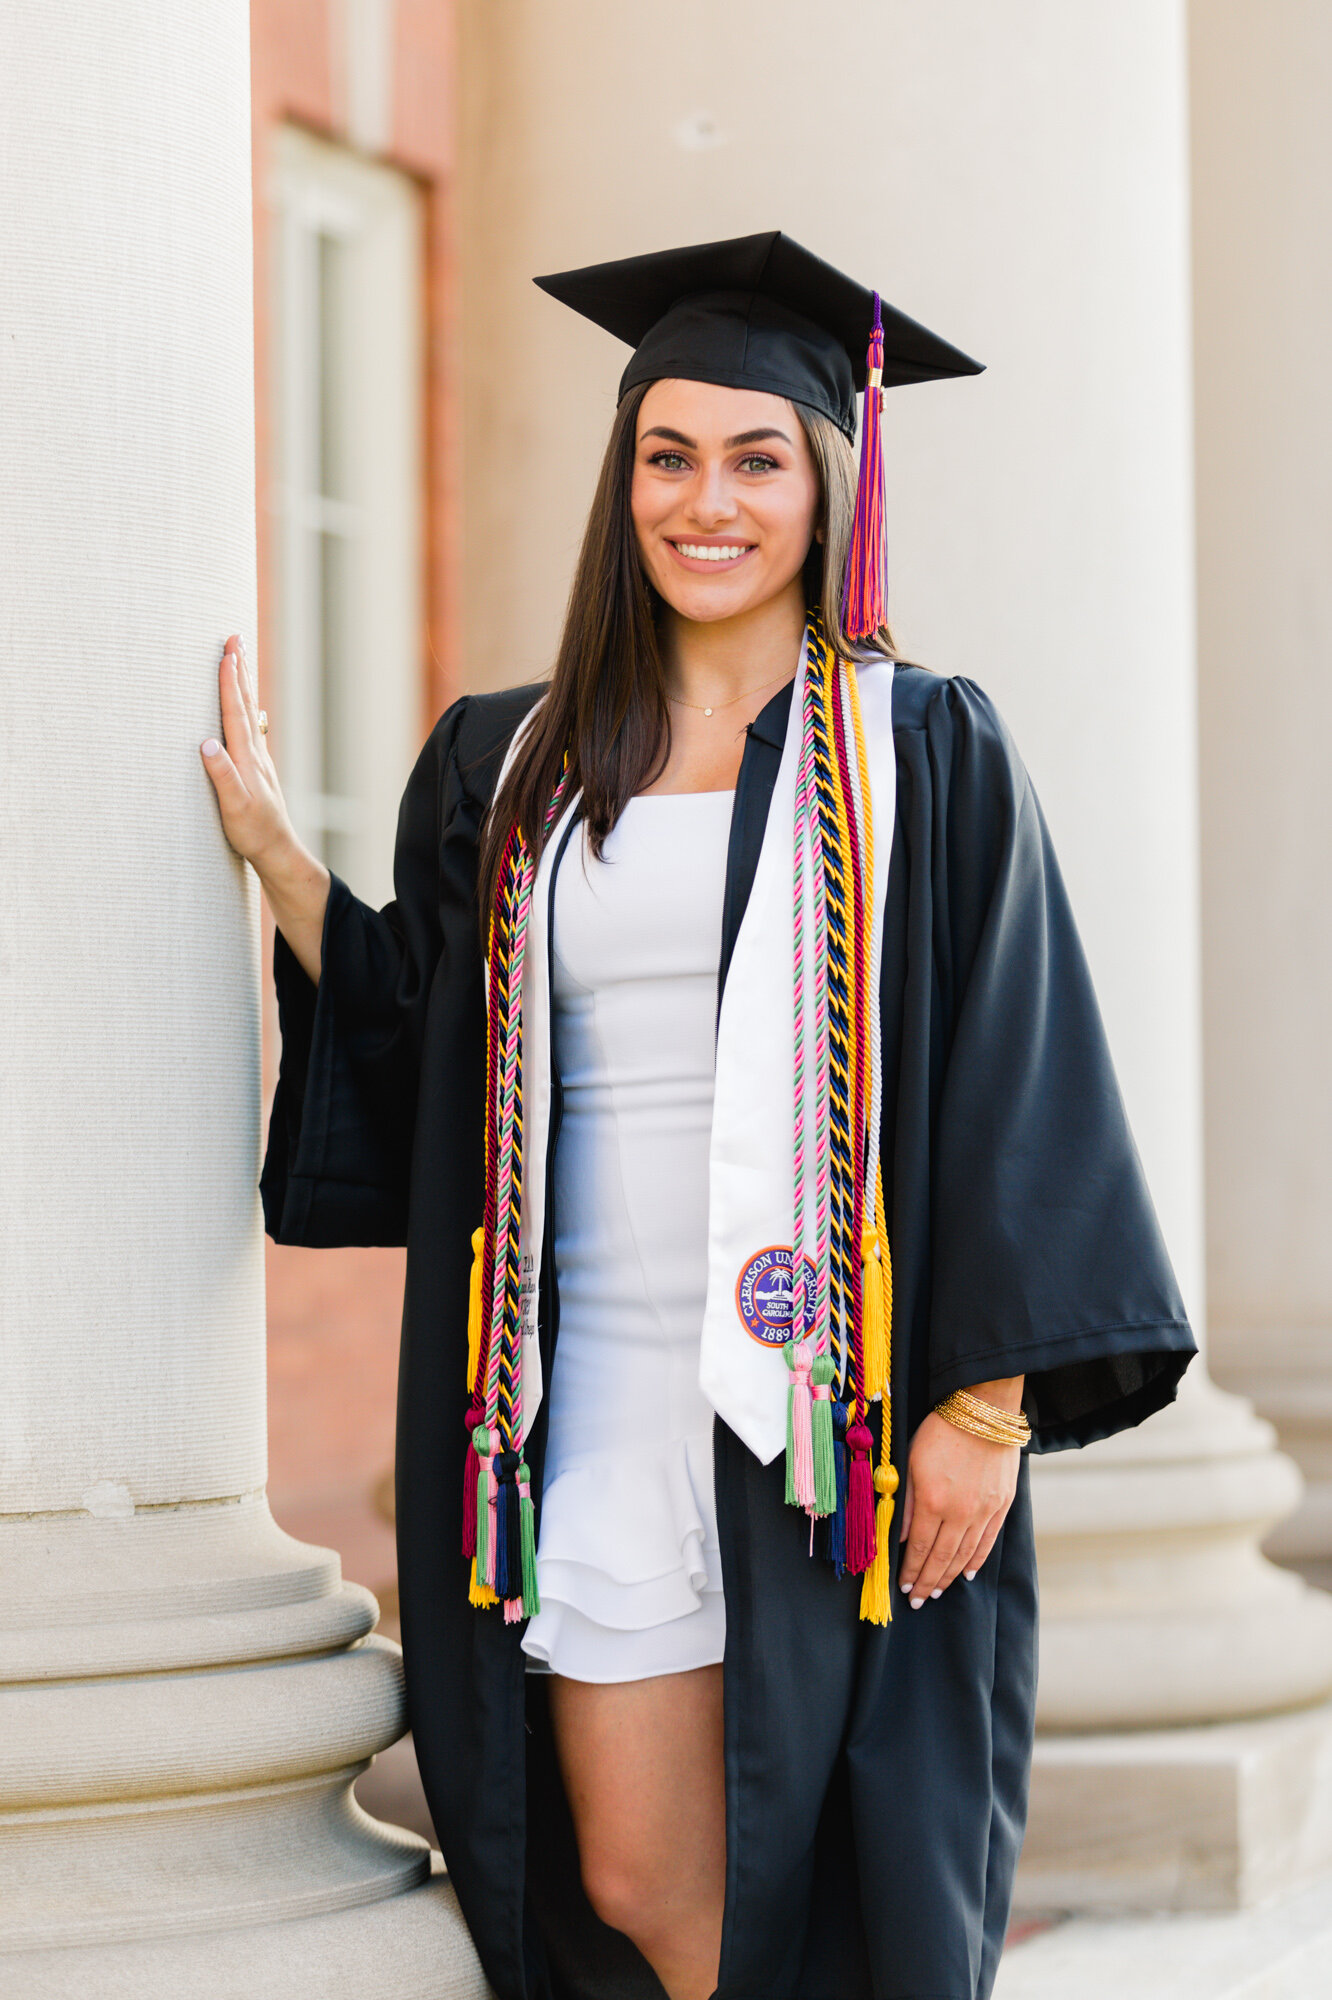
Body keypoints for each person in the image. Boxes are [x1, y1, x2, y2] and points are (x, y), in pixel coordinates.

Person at [201, 231, 1195, 2000]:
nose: (707, 502)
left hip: (839, 1416)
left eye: (757, 461)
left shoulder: (922, 753)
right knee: (647, 1883)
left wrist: (990, 1405)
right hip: (583, 1400)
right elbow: (435, 1062)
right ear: (624, 478)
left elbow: (1017, 1070)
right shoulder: (511, 764)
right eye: (669, 456)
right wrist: (286, 870)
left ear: (827, 484)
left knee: (841, 1879)